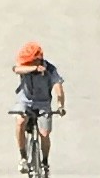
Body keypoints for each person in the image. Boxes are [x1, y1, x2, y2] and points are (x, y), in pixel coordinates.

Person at [11, 40, 65, 170]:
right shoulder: (26, 67)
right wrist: (34, 69)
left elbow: (58, 87)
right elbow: (17, 69)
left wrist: (60, 105)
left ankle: (45, 161)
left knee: (44, 133)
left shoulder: (50, 70)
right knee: (20, 121)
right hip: (25, 101)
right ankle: (23, 157)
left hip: (43, 103)